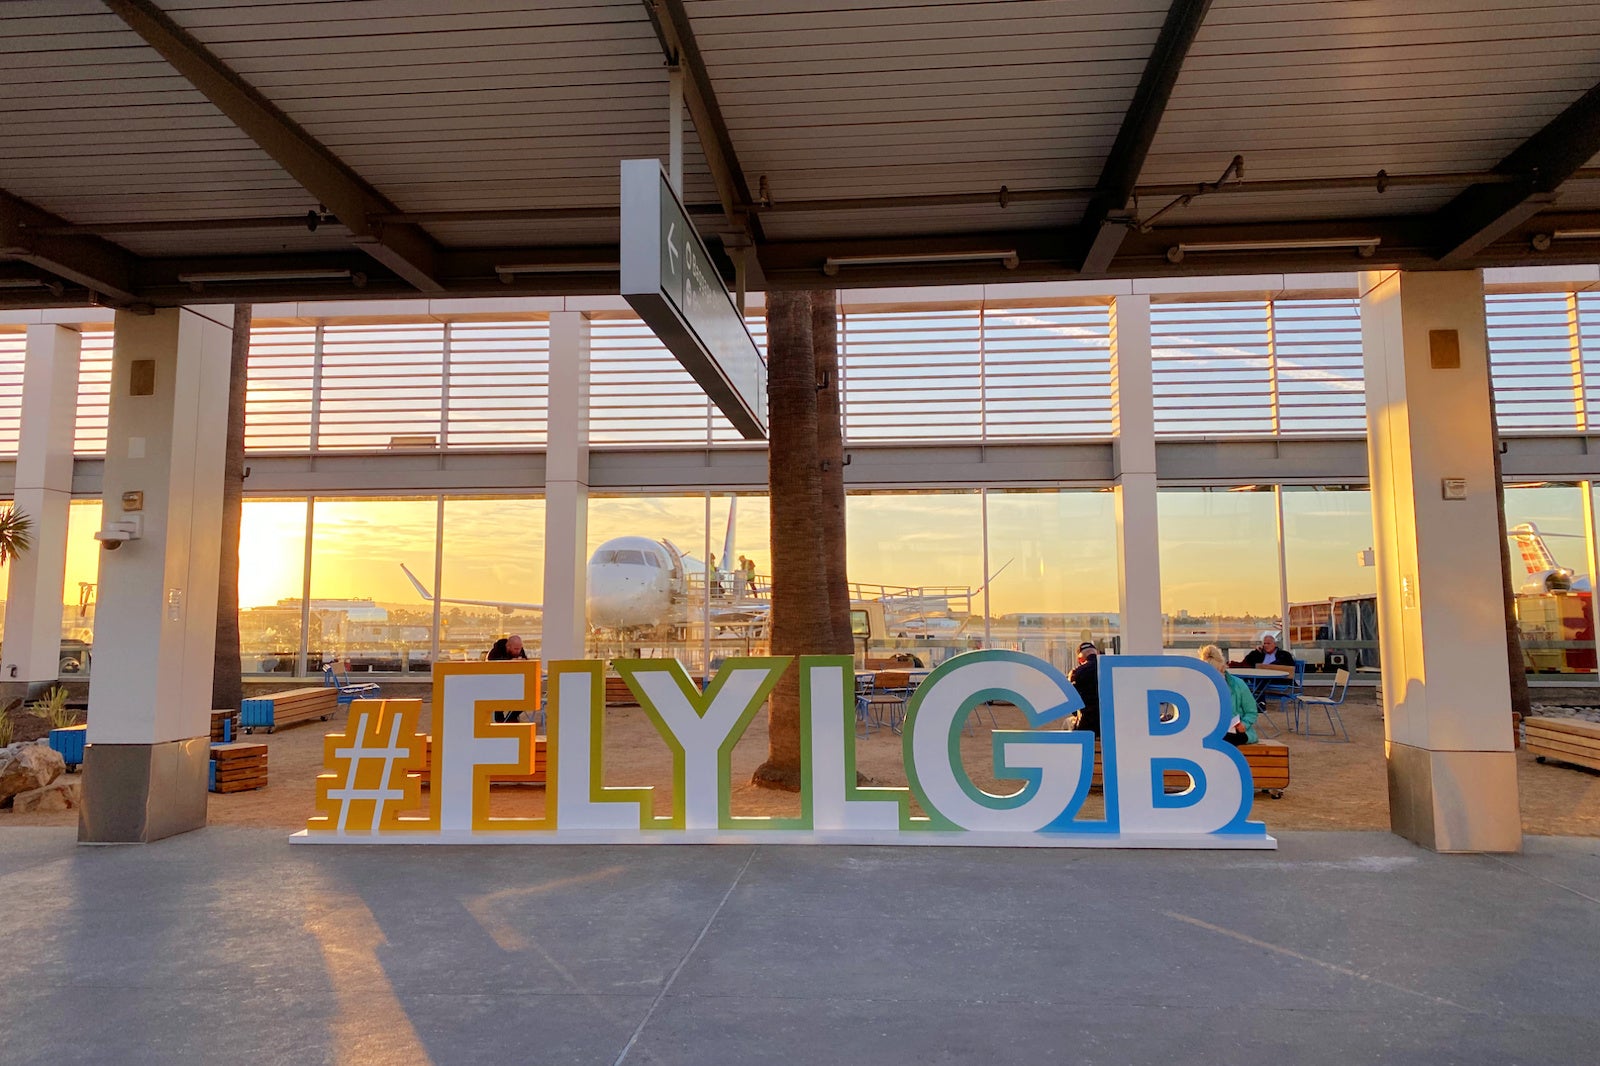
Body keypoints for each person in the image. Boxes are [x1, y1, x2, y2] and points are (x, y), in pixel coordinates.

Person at [1200, 644, 1257, 746]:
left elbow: (1251, 711)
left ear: (1222, 669)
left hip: (1235, 731)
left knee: (1224, 739)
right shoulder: (1200, 687)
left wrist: (1244, 724)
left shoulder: (1238, 685)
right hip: (1210, 730)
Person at [487, 634, 529, 722]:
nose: (518, 651)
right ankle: (503, 722)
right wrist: (509, 662)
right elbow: (492, 663)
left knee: (527, 698)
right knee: (499, 704)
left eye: (520, 648)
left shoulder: (519, 650)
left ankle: (509, 721)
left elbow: (525, 660)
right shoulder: (497, 650)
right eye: (516, 649)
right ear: (508, 646)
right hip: (498, 683)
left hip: (515, 683)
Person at [1068, 641, 1100, 736]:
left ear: (1080, 659)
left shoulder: (1076, 673)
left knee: (1067, 723)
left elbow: (1072, 704)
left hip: (1086, 727)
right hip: (1111, 727)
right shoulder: (1111, 670)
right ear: (1097, 653)